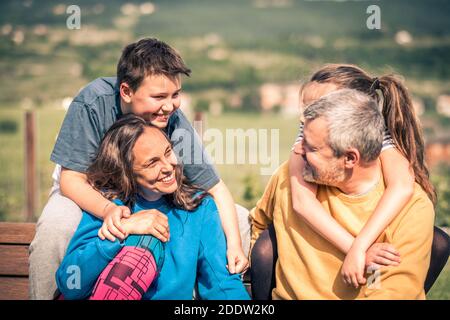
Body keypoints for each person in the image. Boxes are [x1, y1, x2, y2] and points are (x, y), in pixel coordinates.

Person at [29, 38, 248, 300]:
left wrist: (234, 244)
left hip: (152, 193)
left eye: (175, 95)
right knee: (57, 225)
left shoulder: (170, 117)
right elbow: (71, 179)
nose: (169, 105)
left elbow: (215, 187)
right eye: (158, 97)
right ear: (126, 91)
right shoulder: (94, 102)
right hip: (87, 190)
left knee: (237, 218)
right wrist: (115, 214)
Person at [250, 89, 435, 299]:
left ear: (350, 158)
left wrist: (366, 264)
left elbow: (386, 291)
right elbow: (258, 229)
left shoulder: (412, 210)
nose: (298, 151)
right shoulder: (291, 178)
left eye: (311, 147)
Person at [56, 114, 250, 300]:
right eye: (152, 163)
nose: (168, 166)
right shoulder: (110, 207)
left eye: (168, 152)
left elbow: (221, 284)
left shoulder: (199, 207)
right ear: (127, 172)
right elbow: (71, 284)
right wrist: (121, 230)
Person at [289, 64, 435, 287]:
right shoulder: (309, 132)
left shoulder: (370, 135)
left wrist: (359, 247)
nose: (305, 116)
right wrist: (358, 250)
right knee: (265, 249)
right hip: (315, 231)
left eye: (319, 106)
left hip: (359, 234)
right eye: (306, 106)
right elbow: (302, 202)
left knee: (439, 243)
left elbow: (402, 186)